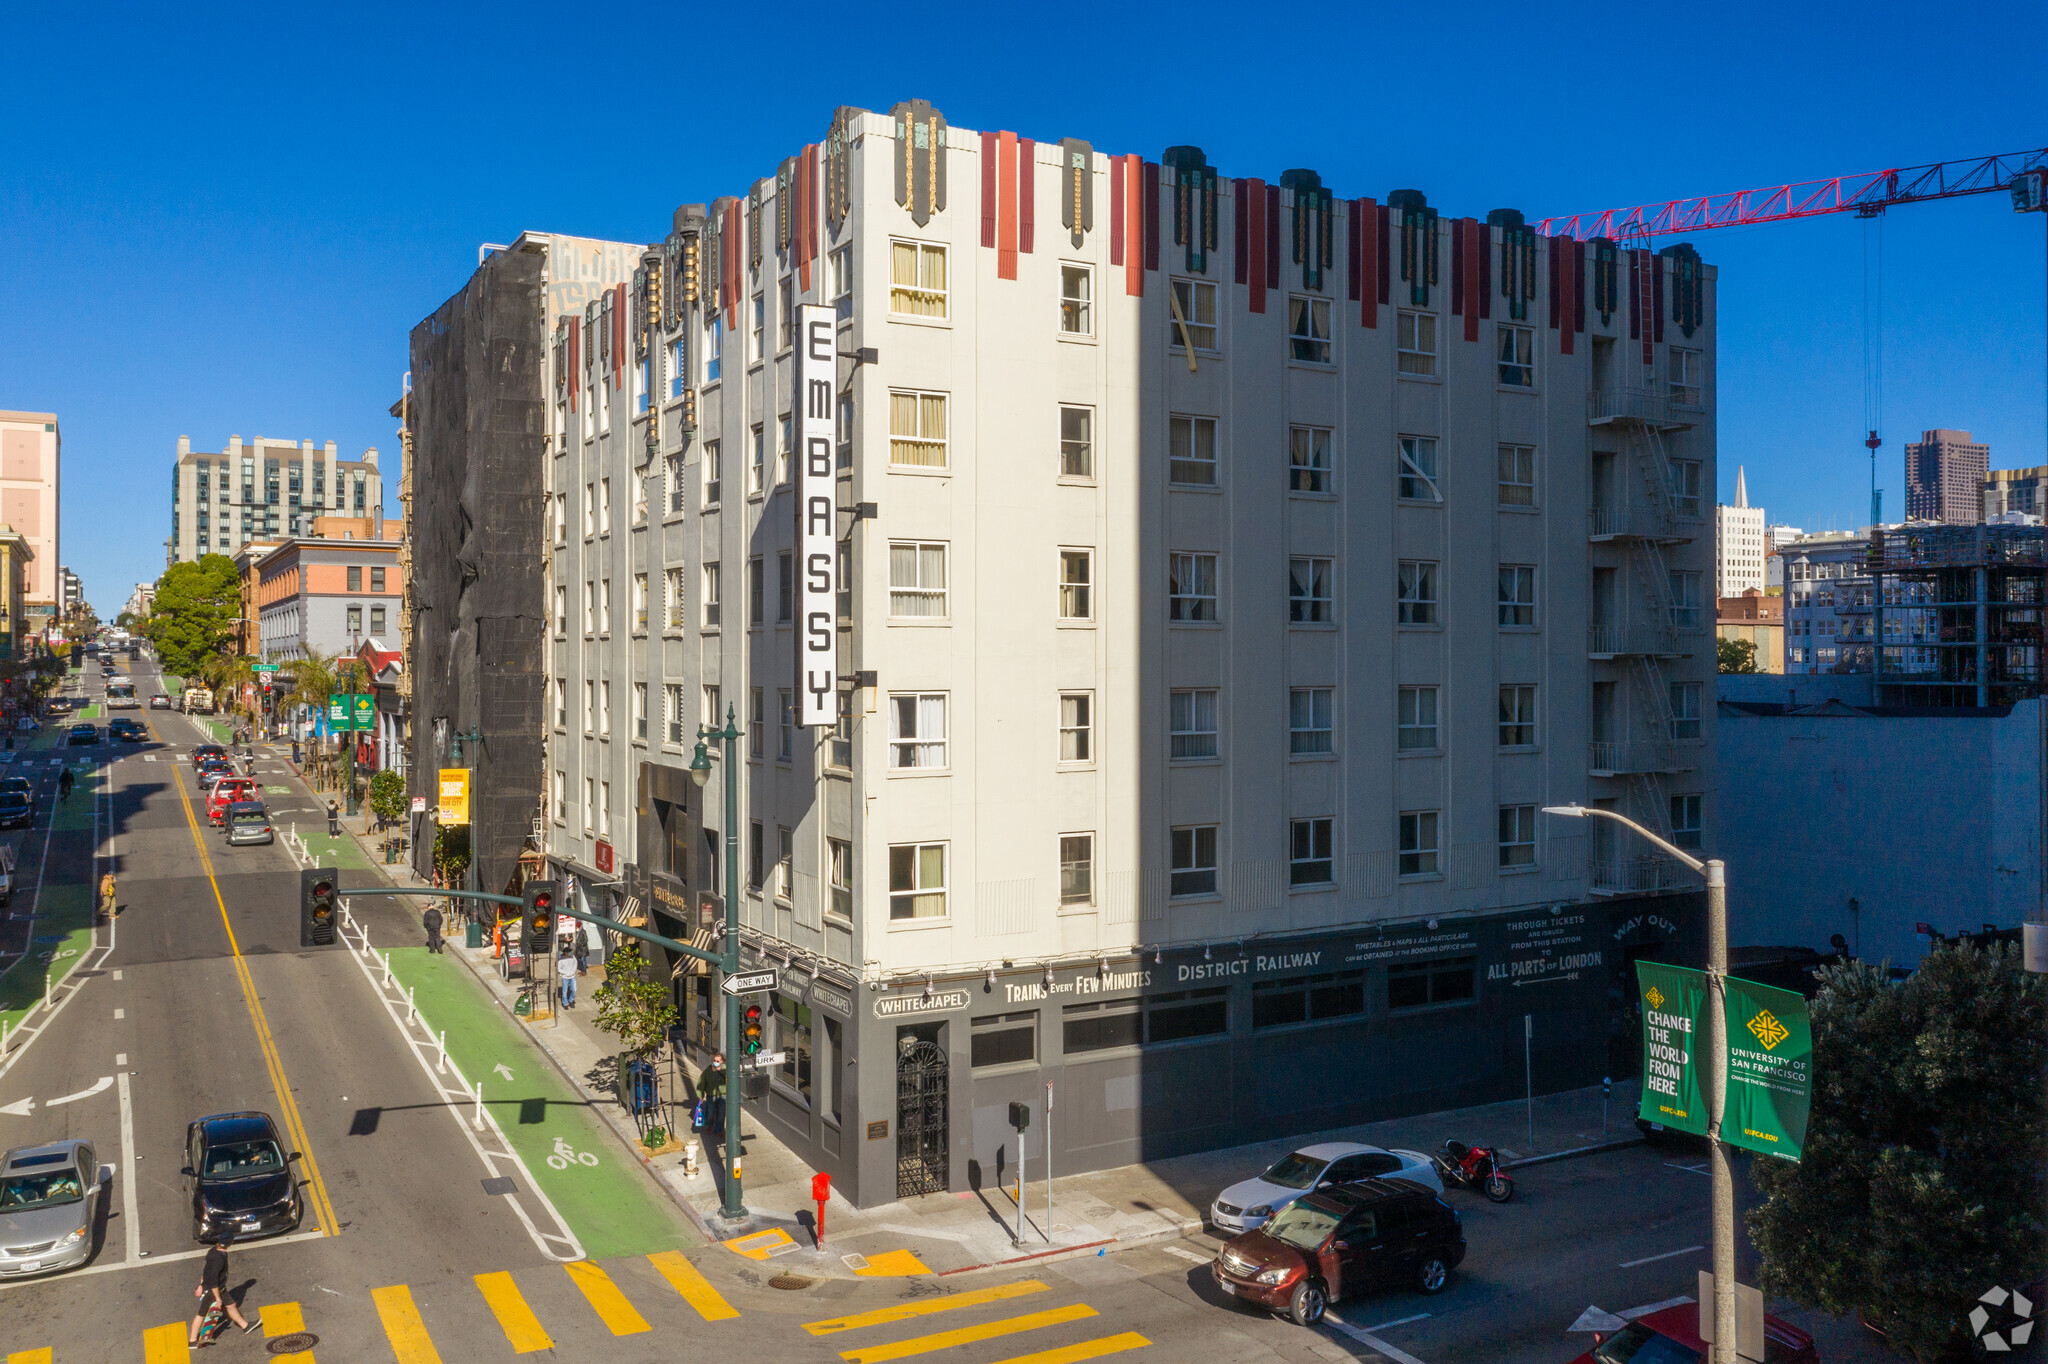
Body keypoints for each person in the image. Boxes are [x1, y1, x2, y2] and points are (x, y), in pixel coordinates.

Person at [188, 1233, 259, 1343]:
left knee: (231, 1305)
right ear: (230, 1243)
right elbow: (213, 1281)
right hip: (213, 1290)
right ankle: (192, 1340)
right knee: (201, 1314)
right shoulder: (219, 1259)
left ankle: (245, 1326)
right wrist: (217, 1298)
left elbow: (206, 1270)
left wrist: (201, 1285)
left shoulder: (213, 1251)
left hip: (219, 1288)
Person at [557, 936, 578, 1009]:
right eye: (568, 952)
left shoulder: (572, 957)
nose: (569, 953)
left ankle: (571, 1000)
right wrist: (564, 973)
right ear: (565, 953)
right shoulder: (561, 959)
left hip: (572, 976)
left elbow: (575, 963)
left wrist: (573, 971)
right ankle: (565, 1003)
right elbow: (558, 968)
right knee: (564, 991)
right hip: (565, 977)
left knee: (574, 989)